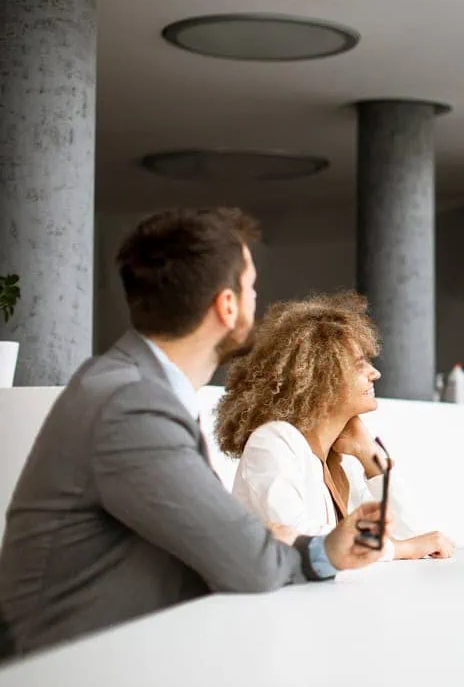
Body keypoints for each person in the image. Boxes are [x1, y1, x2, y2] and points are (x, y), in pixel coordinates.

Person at [0, 209, 387, 657]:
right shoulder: (133, 404)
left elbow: (228, 541)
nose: (255, 302)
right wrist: (308, 552)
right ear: (226, 306)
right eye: (251, 289)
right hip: (62, 665)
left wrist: (287, 545)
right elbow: (250, 562)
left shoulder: (126, 383)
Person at [215, 292, 454, 561]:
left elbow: (419, 537)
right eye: (360, 365)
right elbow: (302, 542)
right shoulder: (272, 443)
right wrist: (402, 549)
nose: (375, 373)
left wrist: (370, 456)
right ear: (320, 377)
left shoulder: (341, 462)